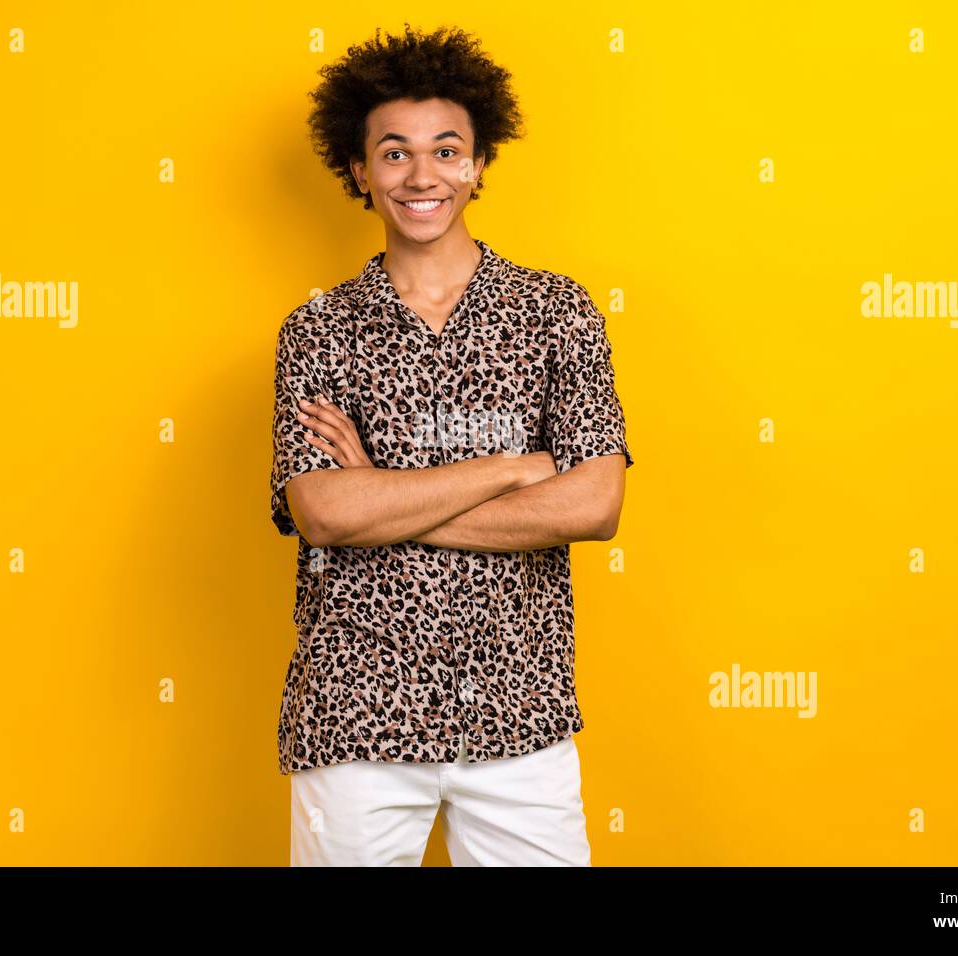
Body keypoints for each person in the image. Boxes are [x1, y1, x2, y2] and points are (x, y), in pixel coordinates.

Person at [269, 23, 634, 866]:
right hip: (357, 712)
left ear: (479, 165)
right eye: (394, 153)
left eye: (446, 150)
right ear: (359, 171)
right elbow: (323, 512)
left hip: (521, 713)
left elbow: (595, 504)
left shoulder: (557, 312)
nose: (422, 174)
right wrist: (512, 470)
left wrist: (385, 498)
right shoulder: (319, 329)